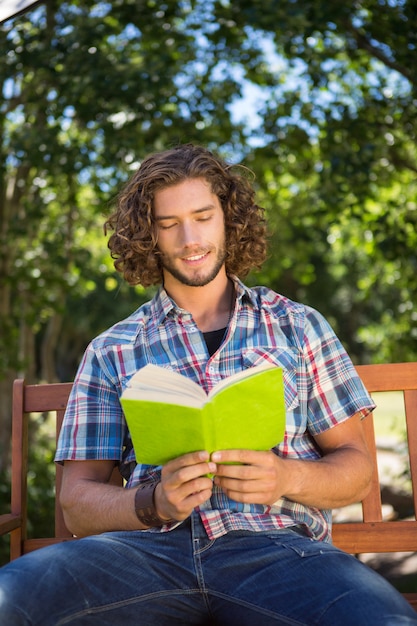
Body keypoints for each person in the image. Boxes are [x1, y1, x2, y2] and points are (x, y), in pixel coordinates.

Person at [0, 144, 416, 626]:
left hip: (277, 553)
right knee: (11, 600)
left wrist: (286, 477)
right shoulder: (112, 349)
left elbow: (357, 466)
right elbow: (77, 502)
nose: (190, 238)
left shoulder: (296, 325)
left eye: (203, 216)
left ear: (228, 219)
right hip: (144, 555)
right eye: (168, 223)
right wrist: (152, 502)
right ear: (148, 235)